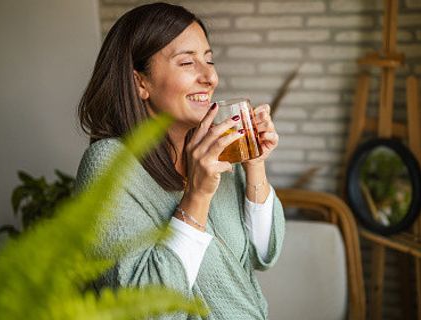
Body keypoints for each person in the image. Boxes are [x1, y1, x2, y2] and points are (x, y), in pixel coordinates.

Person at [75, 3, 285, 319]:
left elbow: (262, 252)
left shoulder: (211, 150)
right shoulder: (107, 165)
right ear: (140, 83)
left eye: (210, 60)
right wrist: (198, 195)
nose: (210, 76)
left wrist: (254, 162)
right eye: (187, 62)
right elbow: (147, 308)